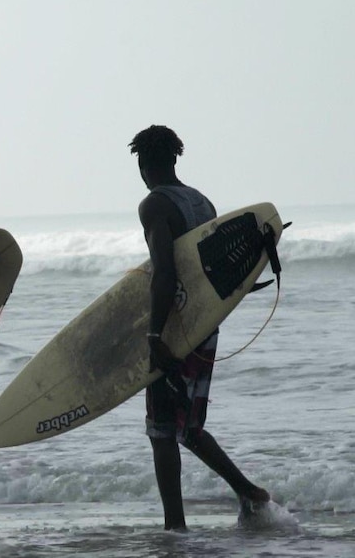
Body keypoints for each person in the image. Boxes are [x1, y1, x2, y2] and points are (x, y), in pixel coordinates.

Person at [129, 125, 270, 531]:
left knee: (161, 430)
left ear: (143, 164)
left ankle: (175, 529)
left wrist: (155, 335)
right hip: (205, 325)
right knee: (188, 428)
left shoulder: (154, 205)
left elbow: (165, 271)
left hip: (173, 328)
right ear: (175, 158)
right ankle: (251, 494)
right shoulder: (201, 202)